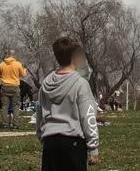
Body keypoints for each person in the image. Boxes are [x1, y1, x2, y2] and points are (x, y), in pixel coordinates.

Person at [37, 36, 99, 171]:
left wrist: (41, 134)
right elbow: (88, 116)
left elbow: (39, 111)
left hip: (50, 142)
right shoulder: (81, 84)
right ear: (74, 58)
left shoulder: (45, 84)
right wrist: (93, 146)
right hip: (73, 142)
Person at [0, 49, 29, 129]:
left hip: (5, 86)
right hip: (14, 86)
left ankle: (4, 124)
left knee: (5, 106)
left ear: (7, 56)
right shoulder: (18, 64)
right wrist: (24, 70)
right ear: (15, 56)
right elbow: (23, 75)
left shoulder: (2, 64)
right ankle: (15, 124)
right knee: (16, 106)